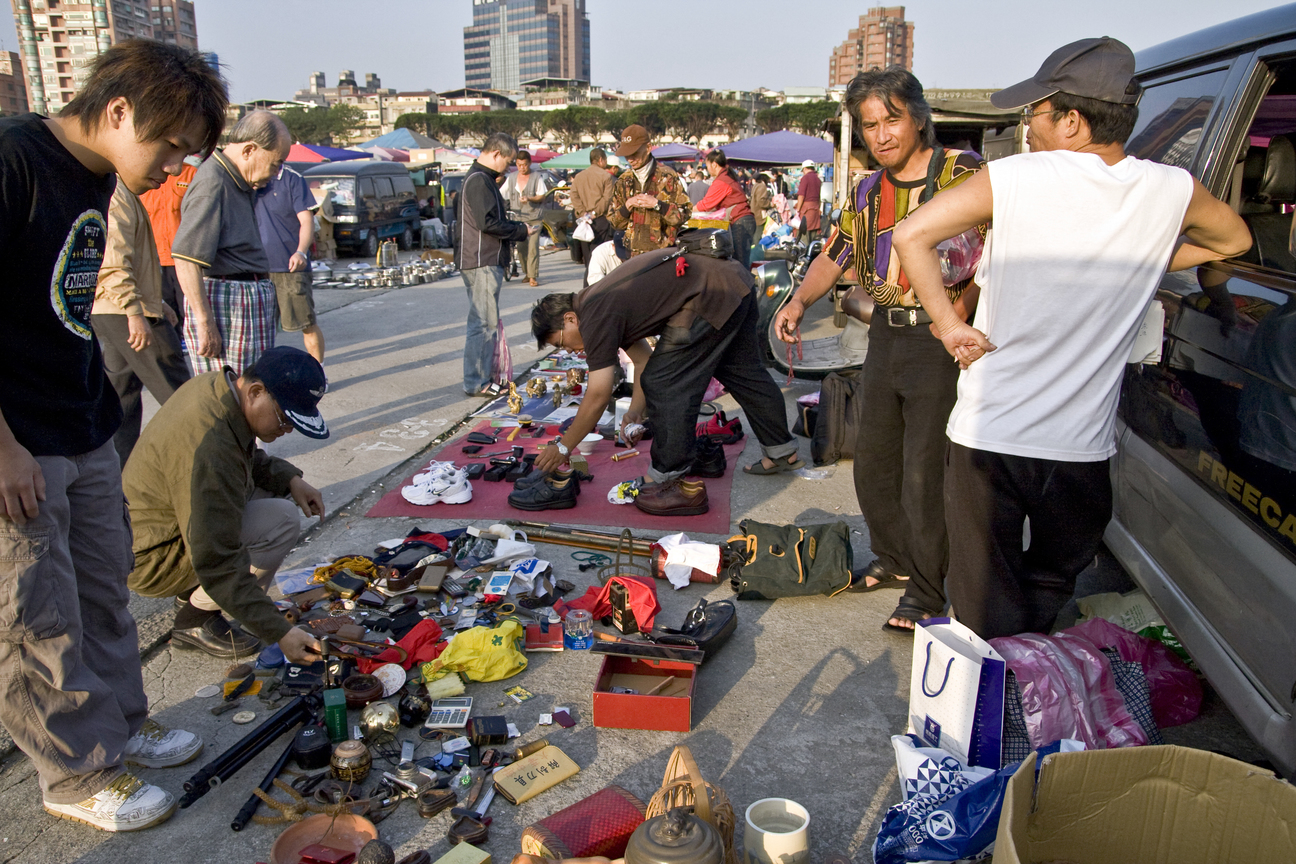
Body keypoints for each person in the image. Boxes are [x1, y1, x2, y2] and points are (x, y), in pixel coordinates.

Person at [891, 37, 1252, 639]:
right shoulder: (1171, 189)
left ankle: (991, 703)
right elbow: (1233, 243)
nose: (1028, 127)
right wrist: (1147, 256)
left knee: (984, 593)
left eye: (1035, 113)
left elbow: (910, 237)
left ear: (1073, 120)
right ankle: (1033, 674)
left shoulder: (1016, 177)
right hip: (1081, 447)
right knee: (1056, 576)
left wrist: (952, 325)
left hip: (991, 435)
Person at [0, 39, 226, 833]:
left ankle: (127, 726)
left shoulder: (105, 177)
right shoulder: (15, 159)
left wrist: (98, 413)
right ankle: (76, 773)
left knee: (104, 592)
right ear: (121, 108)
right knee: (39, 617)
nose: (173, 167)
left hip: (82, 415)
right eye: (170, 146)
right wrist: (3, 449)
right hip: (18, 438)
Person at [775, 68, 985, 633]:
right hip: (887, 334)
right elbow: (836, 254)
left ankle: (925, 589)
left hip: (940, 337)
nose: (882, 134)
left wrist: (959, 315)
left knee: (924, 472)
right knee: (873, 466)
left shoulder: (962, 173)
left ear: (918, 116)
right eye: (870, 125)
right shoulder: (868, 189)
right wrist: (797, 303)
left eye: (891, 119)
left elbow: (1002, 247)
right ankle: (895, 561)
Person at [530, 239, 802, 515]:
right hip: (732, 280)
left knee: (666, 382)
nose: (570, 350)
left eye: (562, 342)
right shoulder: (598, 302)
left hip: (708, 292)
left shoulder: (593, 315)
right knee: (742, 372)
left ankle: (666, 479)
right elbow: (642, 360)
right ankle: (781, 450)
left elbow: (599, 393)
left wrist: (564, 446)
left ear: (569, 319)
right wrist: (636, 411)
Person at [124, 346, 329, 660]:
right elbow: (215, 558)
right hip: (153, 558)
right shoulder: (211, 452)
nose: (286, 430)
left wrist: (290, 479)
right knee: (282, 520)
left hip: (159, 529)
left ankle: (197, 597)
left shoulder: (219, 390)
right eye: (285, 419)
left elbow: (242, 452)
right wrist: (278, 630)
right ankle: (195, 619)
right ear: (256, 392)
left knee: (273, 499)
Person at [172, 109, 291, 375]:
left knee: (252, 387)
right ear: (249, 150)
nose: (276, 173)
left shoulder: (237, 182)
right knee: (234, 392)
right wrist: (204, 322)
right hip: (228, 299)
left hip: (244, 295)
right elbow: (185, 258)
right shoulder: (214, 182)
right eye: (275, 163)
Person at [90, 184, 191, 466]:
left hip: (113, 306)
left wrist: (155, 299)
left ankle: (122, 478)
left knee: (121, 399)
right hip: (123, 307)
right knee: (185, 398)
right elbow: (113, 260)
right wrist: (136, 310)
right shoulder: (115, 193)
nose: (169, 170)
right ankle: (214, 468)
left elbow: (131, 259)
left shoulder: (118, 190)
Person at [454, 132, 535, 395]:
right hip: (481, 260)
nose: (509, 167)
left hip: (481, 259)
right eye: (508, 161)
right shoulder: (479, 180)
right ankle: (477, 382)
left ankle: (481, 377)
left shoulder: (483, 179)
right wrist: (520, 230)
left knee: (484, 321)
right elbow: (487, 223)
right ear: (496, 154)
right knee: (483, 323)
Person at [256, 163, 326, 363]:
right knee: (261, 330)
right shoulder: (248, 179)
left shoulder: (291, 179)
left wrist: (300, 252)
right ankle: (262, 376)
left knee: (306, 323)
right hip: (257, 269)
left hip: (290, 268)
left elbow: (307, 221)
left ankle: (318, 372)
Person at [607, 124, 692, 257]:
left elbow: (684, 214)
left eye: (634, 153)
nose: (630, 159)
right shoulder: (623, 181)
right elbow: (614, 222)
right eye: (626, 155)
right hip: (632, 256)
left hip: (662, 255)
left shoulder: (668, 177)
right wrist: (628, 206)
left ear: (647, 148)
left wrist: (658, 205)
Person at [140, 159, 198, 330]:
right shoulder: (145, 176)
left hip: (184, 257)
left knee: (189, 307)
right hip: (155, 258)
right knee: (165, 312)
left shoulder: (190, 174)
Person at [695, 150, 758, 267]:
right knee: (740, 263)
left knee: (739, 265)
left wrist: (688, 210)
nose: (707, 168)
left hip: (740, 221)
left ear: (714, 164)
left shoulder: (722, 181)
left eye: (707, 165)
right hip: (744, 220)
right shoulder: (727, 177)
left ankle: (745, 286)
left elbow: (705, 205)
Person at [502, 150, 548, 286]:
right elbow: (502, 194)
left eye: (525, 165)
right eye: (519, 165)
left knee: (533, 247)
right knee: (521, 248)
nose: (522, 168)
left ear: (530, 164)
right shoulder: (511, 178)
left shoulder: (536, 177)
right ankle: (527, 273)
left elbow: (542, 195)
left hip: (534, 217)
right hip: (518, 218)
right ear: (516, 164)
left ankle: (533, 276)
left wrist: (529, 198)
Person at [569, 147, 615, 276]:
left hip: (584, 221)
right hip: (600, 220)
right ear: (601, 160)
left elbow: (574, 195)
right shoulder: (606, 176)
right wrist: (594, 213)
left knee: (588, 258)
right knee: (601, 256)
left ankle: (587, 286)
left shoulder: (579, 176)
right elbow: (606, 199)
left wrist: (583, 212)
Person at [794, 160, 823, 243]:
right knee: (813, 234)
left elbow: (801, 196)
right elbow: (819, 197)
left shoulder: (805, 178)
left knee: (803, 234)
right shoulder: (818, 179)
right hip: (815, 209)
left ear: (805, 169)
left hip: (806, 210)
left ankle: (803, 254)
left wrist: (798, 210)